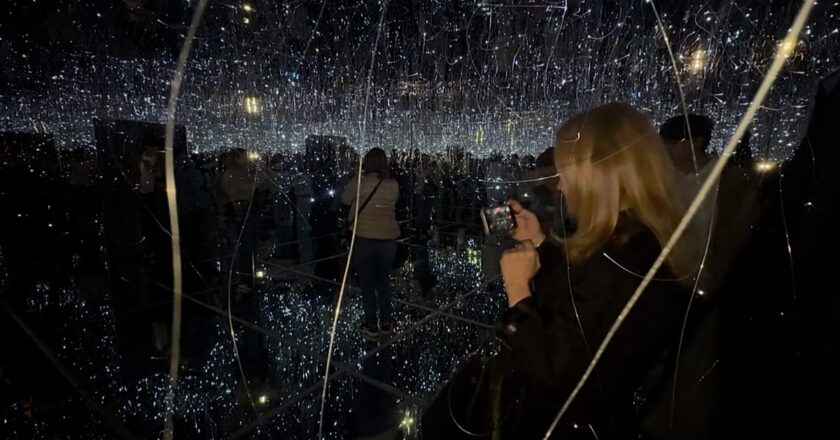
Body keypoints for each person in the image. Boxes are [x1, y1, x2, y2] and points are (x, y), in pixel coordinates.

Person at [424, 103, 702, 438]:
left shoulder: (621, 262)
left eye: (568, 176)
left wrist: (518, 294)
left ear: (600, 176)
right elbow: (579, 296)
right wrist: (540, 242)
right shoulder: (637, 238)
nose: (562, 188)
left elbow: (558, 381)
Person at [341, 148, 400, 341]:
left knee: (367, 283)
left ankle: (371, 325)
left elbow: (344, 199)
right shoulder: (393, 185)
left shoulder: (359, 182)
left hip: (364, 237)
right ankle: (386, 322)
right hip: (388, 239)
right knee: (383, 281)